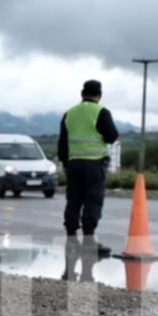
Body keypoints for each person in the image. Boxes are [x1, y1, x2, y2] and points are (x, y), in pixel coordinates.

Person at [58, 79, 119, 256]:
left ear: (81, 94)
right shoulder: (101, 111)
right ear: (99, 95)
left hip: (73, 163)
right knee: (92, 201)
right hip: (94, 163)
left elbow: (62, 142)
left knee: (74, 201)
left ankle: (71, 239)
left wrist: (65, 163)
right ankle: (89, 241)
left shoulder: (69, 113)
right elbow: (112, 136)